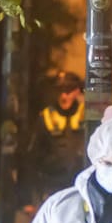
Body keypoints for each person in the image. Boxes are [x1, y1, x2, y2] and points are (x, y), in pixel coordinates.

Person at [27, 71, 87, 205]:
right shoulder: (46, 116)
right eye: (60, 90)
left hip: (80, 181)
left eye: (69, 90)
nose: (63, 95)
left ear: (77, 91)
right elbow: (33, 155)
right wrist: (30, 196)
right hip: (51, 182)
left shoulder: (87, 114)